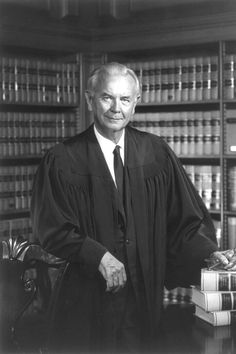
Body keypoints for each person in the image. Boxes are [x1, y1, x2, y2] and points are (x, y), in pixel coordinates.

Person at [31, 62, 236, 353]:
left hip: (144, 302)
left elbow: (183, 222)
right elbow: (50, 228)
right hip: (87, 305)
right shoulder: (63, 159)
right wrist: (98, 255)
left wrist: (208, 253)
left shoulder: (157, 153)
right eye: (107, 97)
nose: (116, 108)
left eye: (125, 99)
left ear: (136, 102)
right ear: (90, 99)